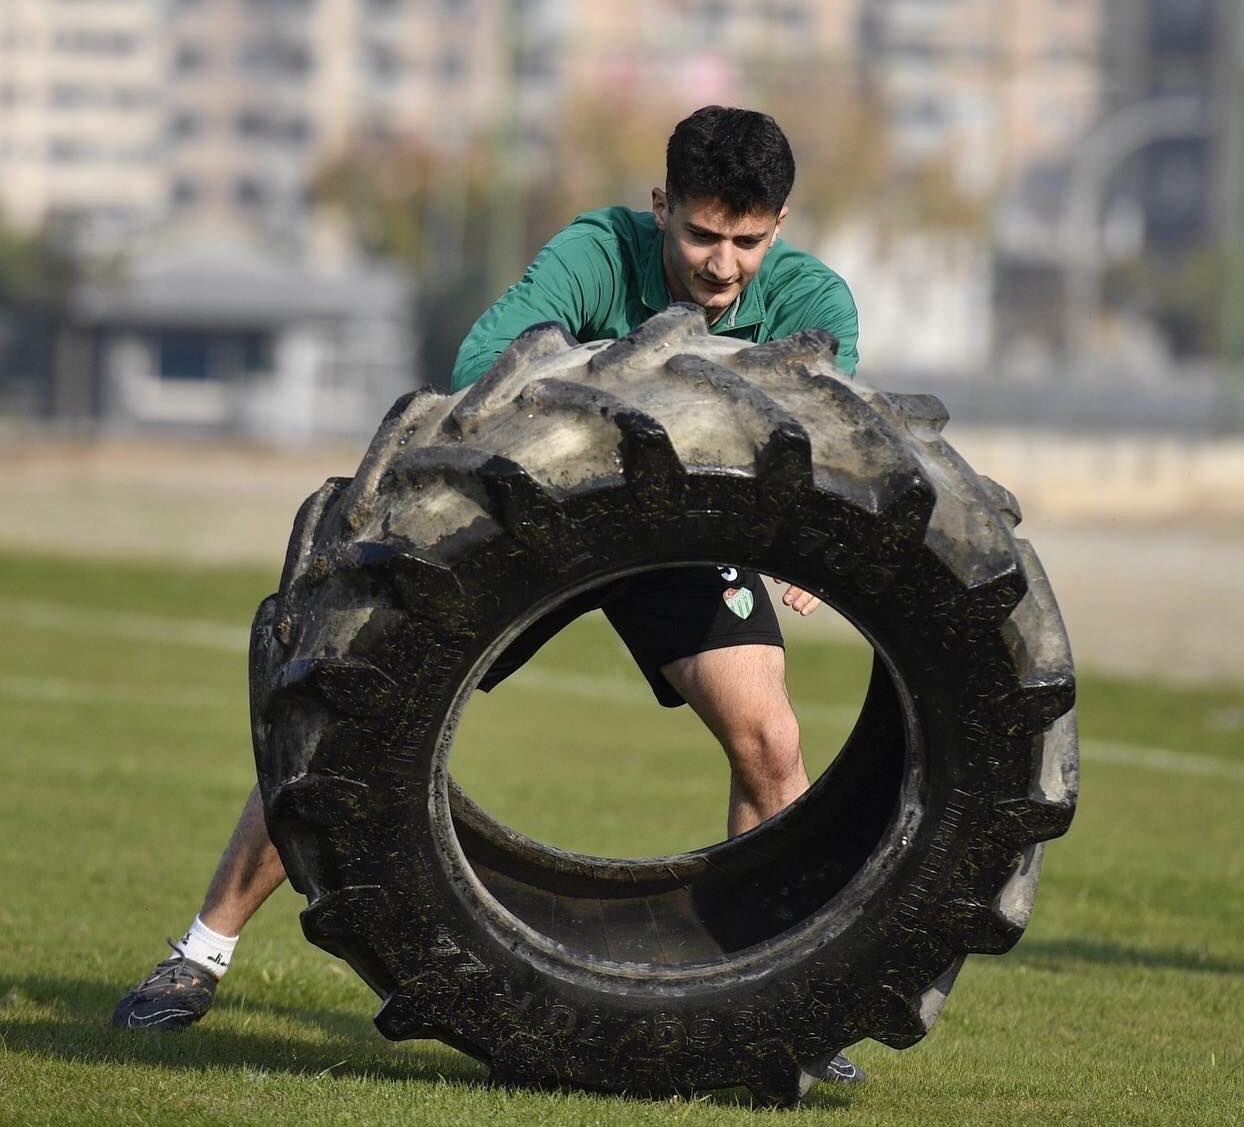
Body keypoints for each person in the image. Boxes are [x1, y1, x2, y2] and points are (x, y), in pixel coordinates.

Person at [113, 106, 866, 1085]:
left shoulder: (814, 302)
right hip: (536, 519)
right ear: (660, 208)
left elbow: (825, 438)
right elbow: (483, 366)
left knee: (769, 738)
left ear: (781, 225)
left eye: (748, 241)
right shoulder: (597, 254)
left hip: (684, 542)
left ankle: (775, 1000)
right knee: (352, 705)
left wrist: (801, 540)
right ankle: (198, 954)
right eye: (701, 234)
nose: (723, 265)